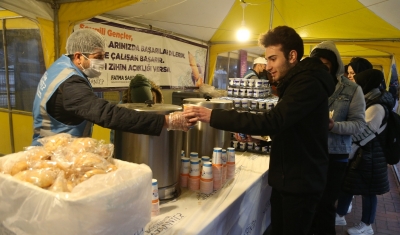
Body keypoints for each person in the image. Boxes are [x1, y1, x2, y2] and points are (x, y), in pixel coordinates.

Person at [183, 25, 335, 235]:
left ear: (292, 56)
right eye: (267, 59)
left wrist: (212, 116)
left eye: (273, 58)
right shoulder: (295, 81)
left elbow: (274, 121)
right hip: (288, 177)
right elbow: (293, 129)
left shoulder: (307, 83)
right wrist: (260, 140)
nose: (268, 65)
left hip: (301, 183)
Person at [32, 29, 189, 145]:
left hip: (57, 148)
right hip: (52, 155)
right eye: (98, 57)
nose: (102, 62)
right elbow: (106, 114)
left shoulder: (60, 67)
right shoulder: (70, 83)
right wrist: (166, 121)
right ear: (78, 56)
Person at [308, 41, 366, 235]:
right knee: (309, 204)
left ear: (335, 65)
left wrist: (334, 126)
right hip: (310, 153)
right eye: (317, 64)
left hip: (335, 155)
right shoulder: (307, 85)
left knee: (325, 205)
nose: (322, 69)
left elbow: (359, 124)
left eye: (326, 65)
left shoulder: (351, 89)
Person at [336, 69, 393, 235]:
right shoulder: (370, 99)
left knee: (369, 192)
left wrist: (342, 131)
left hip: (371, 157)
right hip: (363, 154)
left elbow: (363, 133)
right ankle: (340, 214)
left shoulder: (377, 106)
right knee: (348, 186)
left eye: (358, 83)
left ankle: (366, 225)